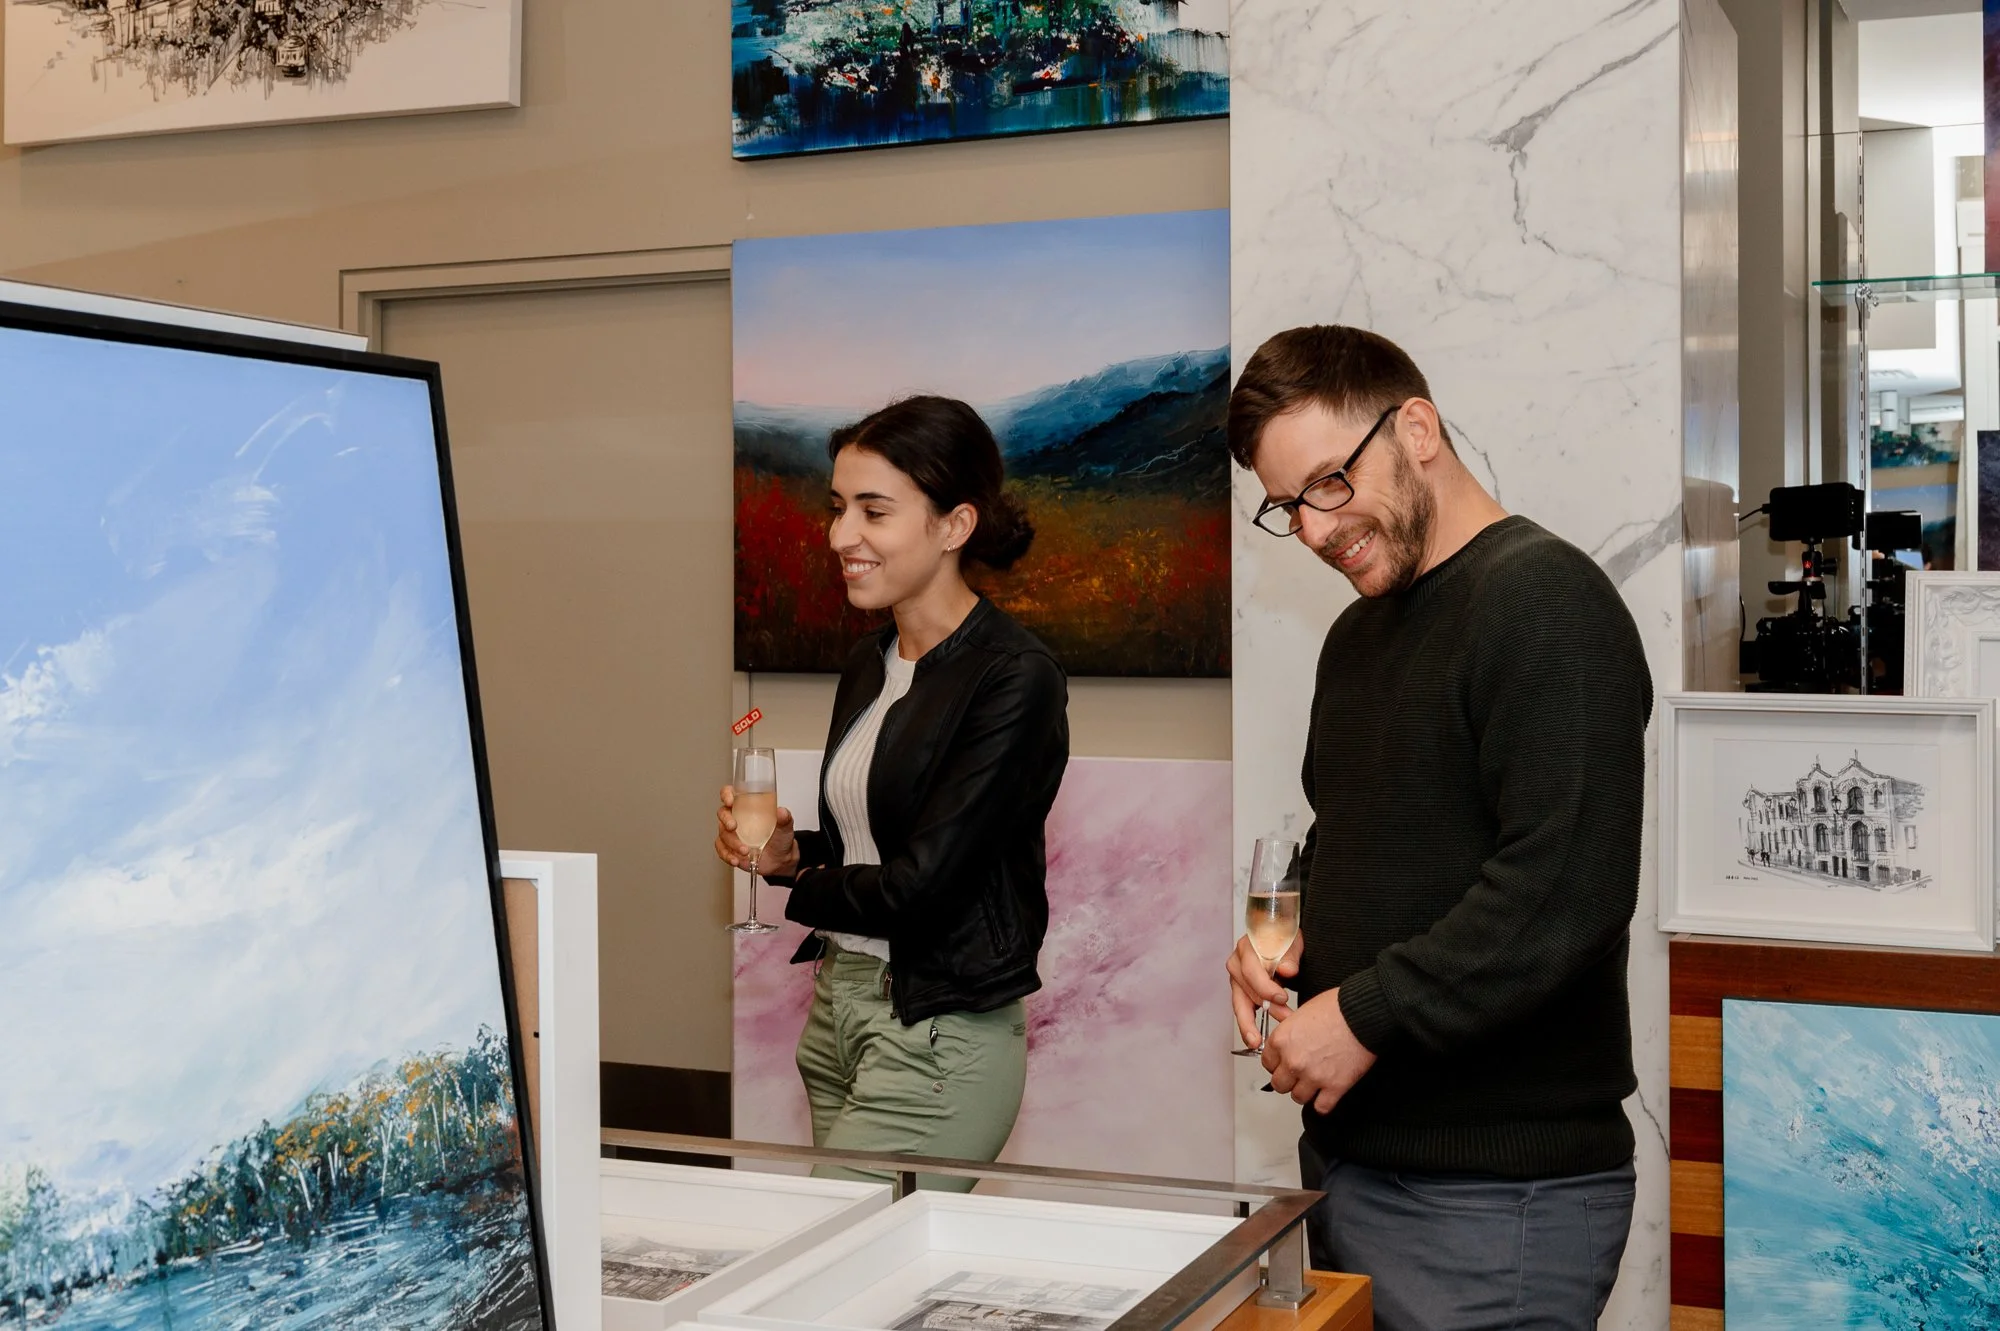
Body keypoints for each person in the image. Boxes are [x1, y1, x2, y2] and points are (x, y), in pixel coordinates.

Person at [1222, 326, 1652, 1330]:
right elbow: (1353, 843)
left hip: (1492, 1200)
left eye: (1329, 482)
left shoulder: (1544, 600)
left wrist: (1361, 1012)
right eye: (1287, 506)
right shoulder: (1358, 633)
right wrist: (1276, 956)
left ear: (1414, 427)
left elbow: (1560, 892)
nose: (1316, 529)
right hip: (1353, 1167)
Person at [714, 394, 1069, 1190]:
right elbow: (869, 847)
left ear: (955, 524)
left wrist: (796, 884)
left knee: (825, 1276)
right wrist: (784, 852)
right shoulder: (869, 663)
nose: (841, 537)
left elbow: (924, 887)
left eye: (874, 511)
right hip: (839, 1011)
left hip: (937, 1030)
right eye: (838, 508)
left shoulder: (1015, 678)